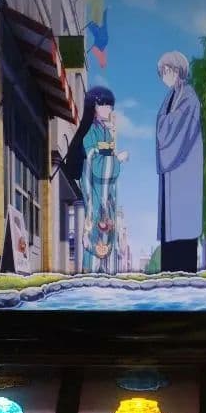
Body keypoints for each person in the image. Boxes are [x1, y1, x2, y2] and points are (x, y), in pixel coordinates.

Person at [65, 85, 129, 273]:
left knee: (105, 234)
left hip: (105, 195)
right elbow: (95, 162)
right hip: (95, 191)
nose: (110, 109)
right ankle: (91, 276)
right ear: (94, 106)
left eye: (111, 106)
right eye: (106, 105)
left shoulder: (105, 131)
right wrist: (117, 159)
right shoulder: (90, 132)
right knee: (95, 233)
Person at [156, 51, 203, 272]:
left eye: (167, 70)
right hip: (171, 177)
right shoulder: (171, 97)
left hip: (184, 174)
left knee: (182, 228)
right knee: (170, 227)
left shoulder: (189, 97)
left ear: (178, 71)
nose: (164, 75)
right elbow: (163, 127)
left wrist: (163, 124)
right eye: (162, 71)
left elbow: (172, 131)